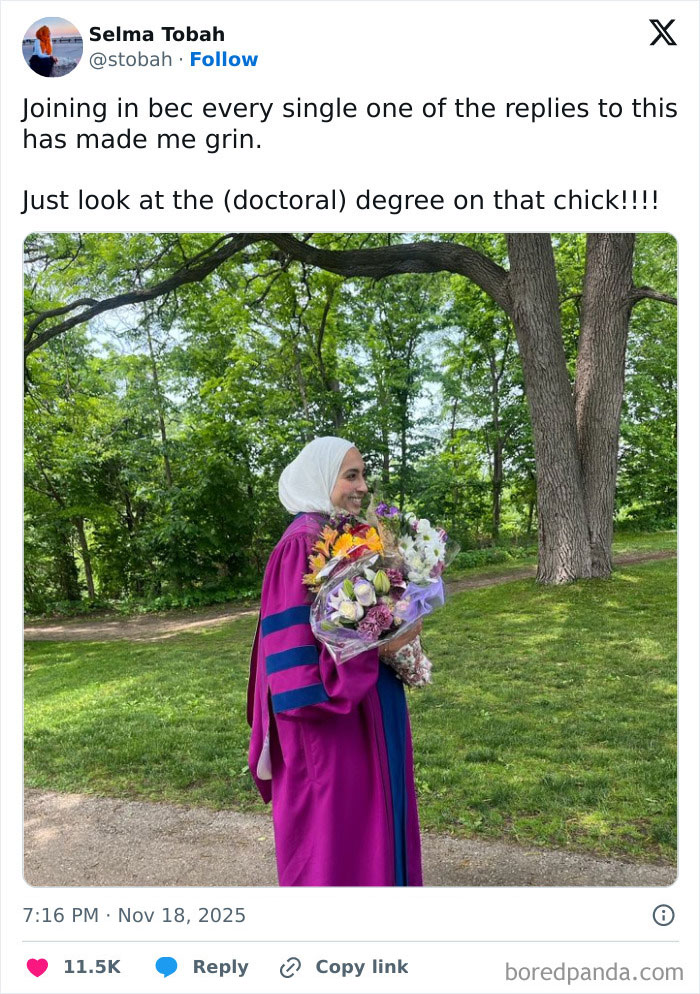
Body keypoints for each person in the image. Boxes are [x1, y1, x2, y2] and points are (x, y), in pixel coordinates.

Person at [247, 436, 423, 885]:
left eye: (363, 475)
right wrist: (378, 647)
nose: (362, 486)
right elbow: (294, 669)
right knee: (339, 845)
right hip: (332, 722)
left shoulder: (343, 537)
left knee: (378, 827)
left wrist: (398, 623)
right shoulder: (302, 543)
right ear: (321, 479)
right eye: (351, 475)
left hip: (372, 706)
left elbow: (363, 617)